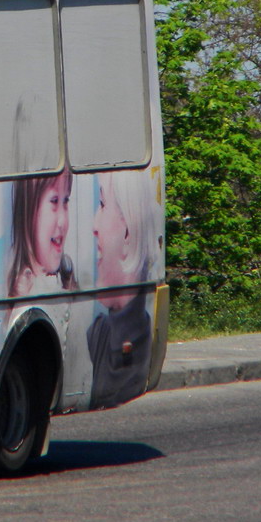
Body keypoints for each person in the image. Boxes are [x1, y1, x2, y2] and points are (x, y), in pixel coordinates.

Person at [87, 170, 159, 408]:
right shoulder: (100, 333)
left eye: (102, 204)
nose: (93, 225)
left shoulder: (129, 347)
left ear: (128, 233)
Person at [7, 169, 78, 298]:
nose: (63, 221)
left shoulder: (69, 286)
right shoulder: (22, 296)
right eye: (54, 201)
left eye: (66, 201)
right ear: (29, 212)